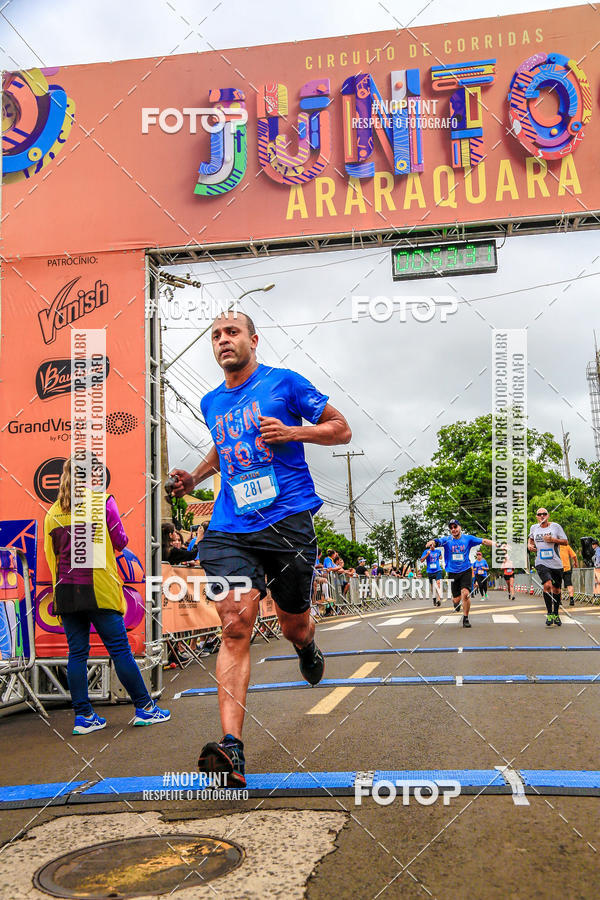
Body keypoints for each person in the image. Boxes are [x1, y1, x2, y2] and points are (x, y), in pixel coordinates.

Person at [170, 309, 351, 787]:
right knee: (235, 625)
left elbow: (341, 428)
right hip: (230, 526)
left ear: (253, 339)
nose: (223, 341)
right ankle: (232, 750)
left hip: (287, 521)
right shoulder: (212, 401)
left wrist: (294, 432)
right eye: (215, 336)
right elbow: (222, 448)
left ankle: (307, 645)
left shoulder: (285, 383)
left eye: (232, 333)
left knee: (292, 623)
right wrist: (196, 476)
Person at [44, 456, 170, 734]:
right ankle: (145, 709)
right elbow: (121, 541)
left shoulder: (52, 512)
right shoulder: (103, 502)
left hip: (66, 592)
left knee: (76, 653)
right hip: (99, 589)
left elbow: (50, 559)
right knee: (119, 650)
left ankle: (84, 717)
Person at [426, 519, 497, 628]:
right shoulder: (447, 540)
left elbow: (483, 541)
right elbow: (437, 541)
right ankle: (456, 603)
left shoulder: (468, 539)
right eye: (451, 528)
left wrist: (497, 544)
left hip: (466, 570)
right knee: (456, 599)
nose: (453, 529)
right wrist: (432, 543)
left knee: (465, 594)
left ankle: (465, 618)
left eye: (455, 527)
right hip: (452, 572)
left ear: (460, 527)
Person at [528, 508, 568, 627]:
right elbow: (530, 540)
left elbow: (565, 542)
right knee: (547, 585)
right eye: (539, 514)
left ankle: (556, 613)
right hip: (541, 562)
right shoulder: (534, 528)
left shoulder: (555, 527)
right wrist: (530, 546)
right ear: (536, 517)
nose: (542, 516)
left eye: (544, 514)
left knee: (556, 590)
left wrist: (553, 540)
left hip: (556, 563)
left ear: (548, 516)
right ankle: (549, 613)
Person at [558, 541, 578, 606]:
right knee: (569, 584)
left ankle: (559, 601)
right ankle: (571, 600)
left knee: (558, 585)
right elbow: (574, 555)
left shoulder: (555, 546)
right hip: (567, 568)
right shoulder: (566, 546)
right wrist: (575, 562)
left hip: (558, 568)